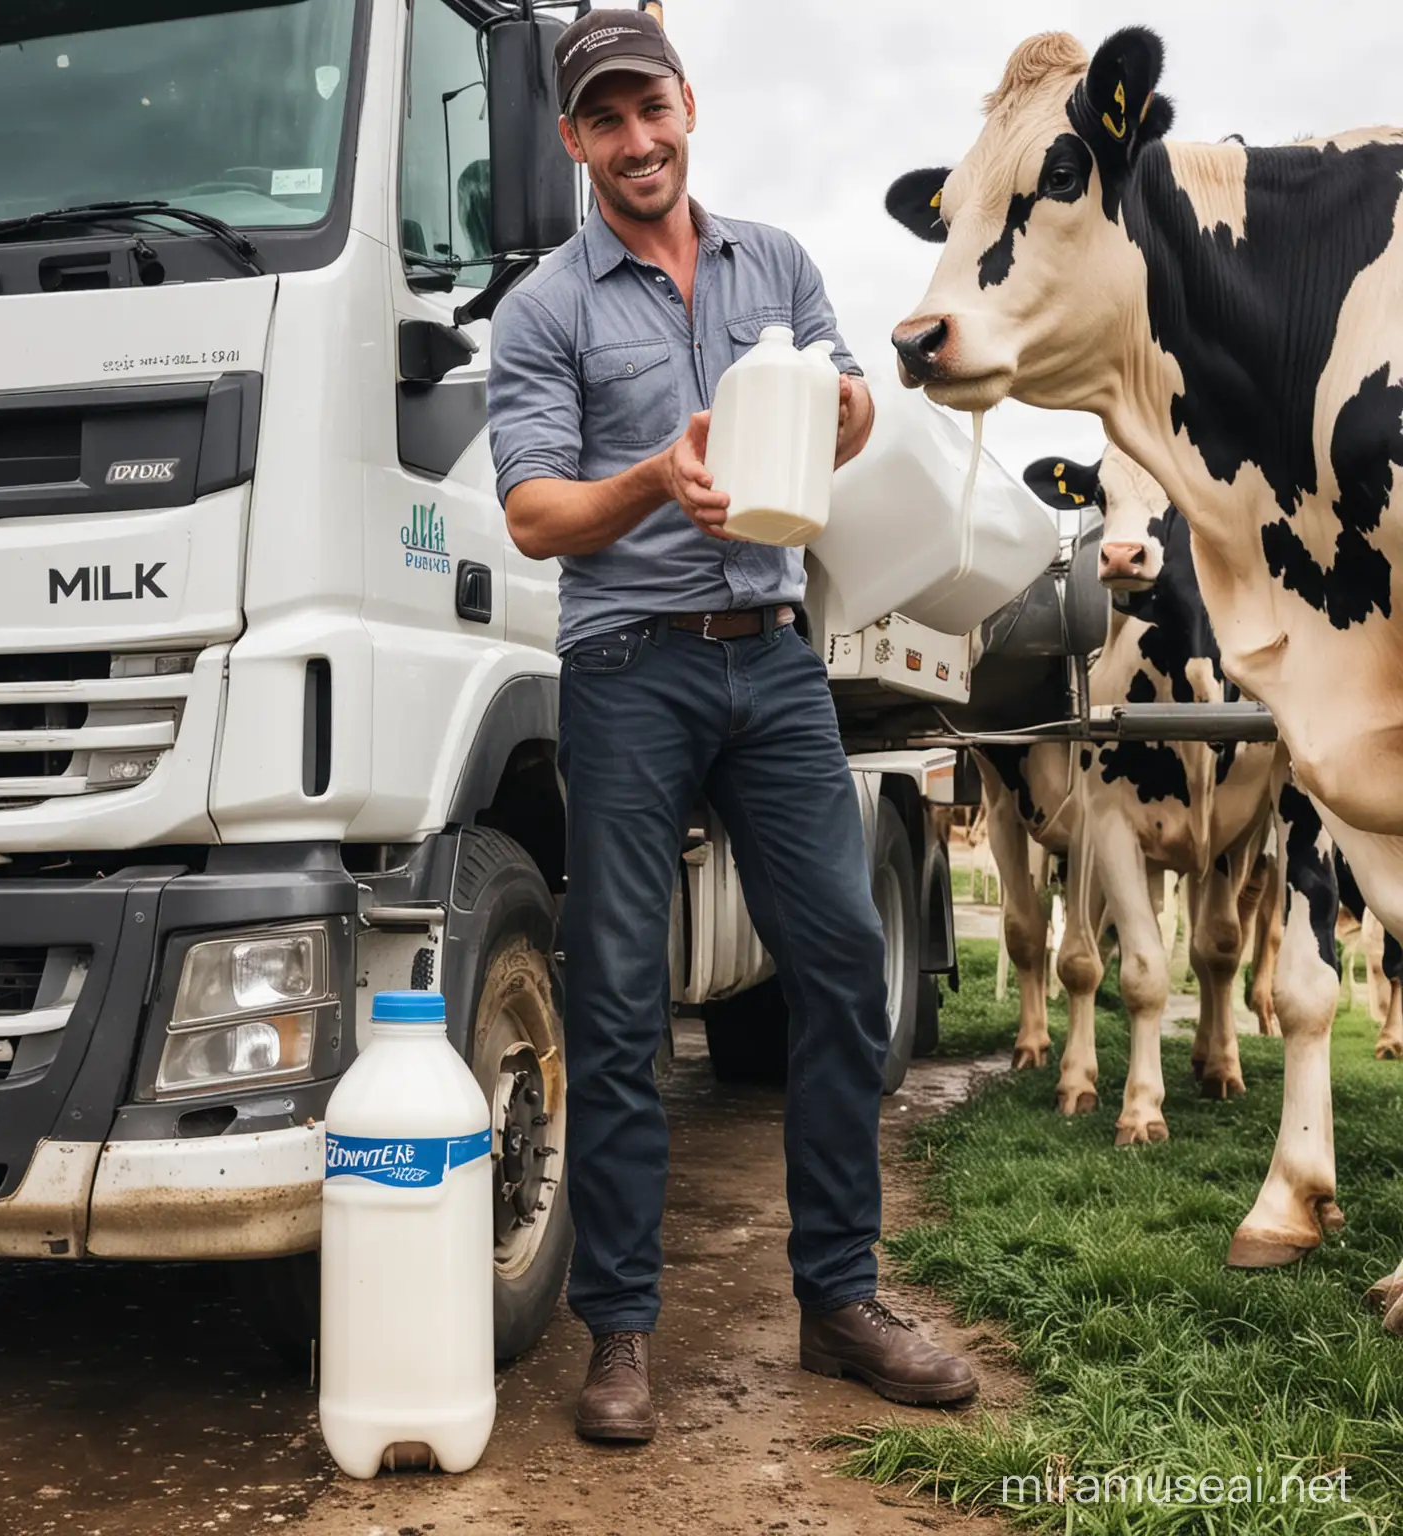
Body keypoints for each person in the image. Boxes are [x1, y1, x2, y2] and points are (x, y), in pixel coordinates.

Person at [486, 7, 977, 1444]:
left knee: (839, 969)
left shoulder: (779, 262)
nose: (637, 141)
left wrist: (836, 416)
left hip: (772, 661)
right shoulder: (544, 310)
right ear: (573, 139)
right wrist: (658, 476)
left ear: (690, 106)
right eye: (605, 120)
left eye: (654, 109)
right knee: (622, 997)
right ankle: (622, 1335)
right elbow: (534, 517)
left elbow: (854, 408)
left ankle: (840, 1299)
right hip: (627, 669)